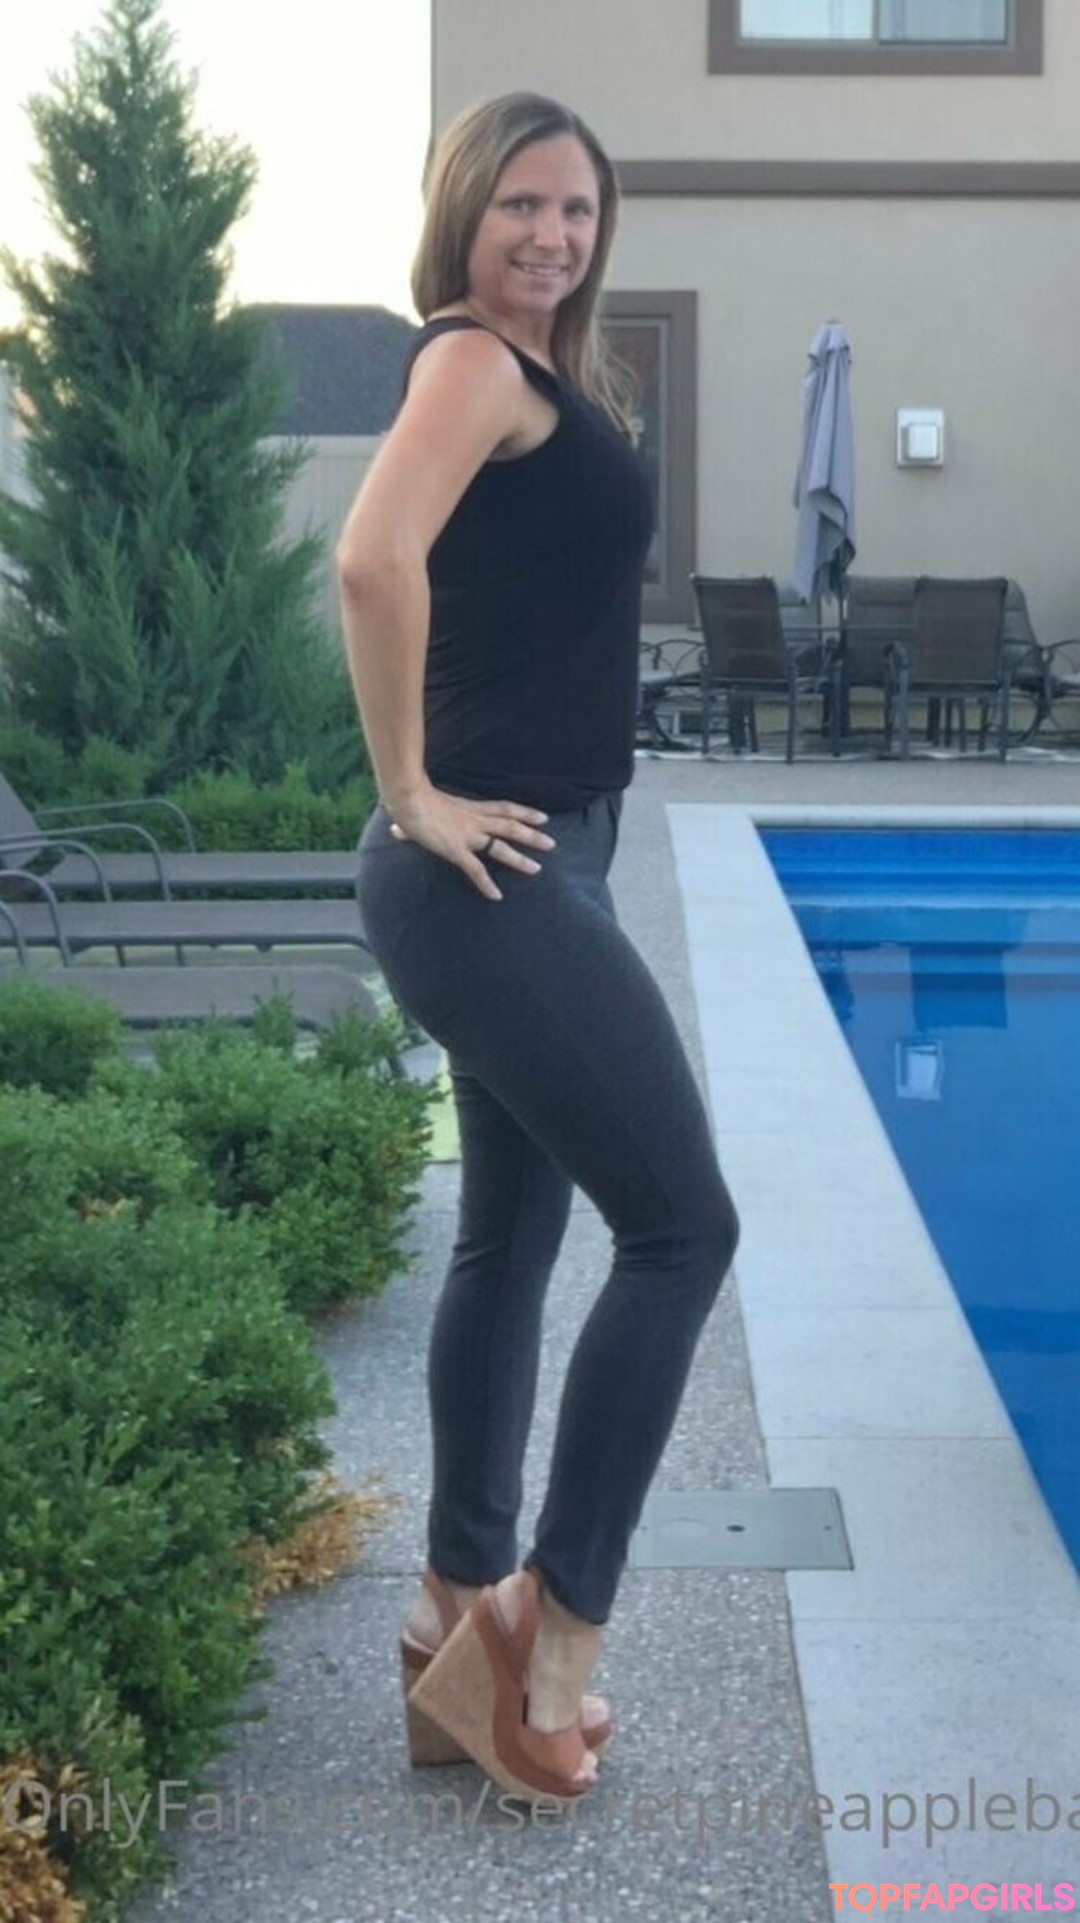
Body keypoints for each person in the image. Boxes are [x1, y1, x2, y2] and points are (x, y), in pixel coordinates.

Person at [337, 91, 739, 1805]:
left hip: (540, 850)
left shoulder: (547, 381)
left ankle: (451, 1602)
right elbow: (371, 561)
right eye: (520, 206)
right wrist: (409, 790)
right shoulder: (472, 364)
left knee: (509, 1238)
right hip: (485, 865)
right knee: (684, 1226)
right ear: (464, 212)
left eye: (577, 211)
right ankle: (544, 1639)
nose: (552, 236)